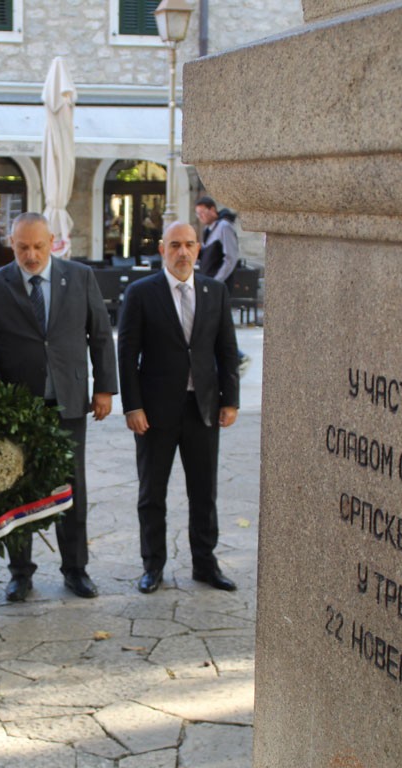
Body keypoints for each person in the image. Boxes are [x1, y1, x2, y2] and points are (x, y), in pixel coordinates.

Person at [0, 212, 118, 602]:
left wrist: (104, 388)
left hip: (68, 401)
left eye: (38, 246)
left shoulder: (80, 277)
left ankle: (76, 569)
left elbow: (101, 335)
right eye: (22, 247)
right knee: (17, 488)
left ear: (53, 241)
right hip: (17, 407)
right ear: (11, 245)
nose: (31, 255)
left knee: (72, 489)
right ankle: (20, 573)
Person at [117, 220, 241, 594]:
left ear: (199, 249)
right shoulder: (141, 293)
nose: (182, 252)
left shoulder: (214, 291)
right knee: (152, 494)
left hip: (202, 408)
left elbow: (227, 350)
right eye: (175, 245)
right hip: (154, 413)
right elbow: (127, 354)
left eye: (189, 244)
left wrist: (231, 399)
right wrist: (132, 406)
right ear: (162, 249)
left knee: (204, 493)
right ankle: (152, 566)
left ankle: (205, 563)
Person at [194, 196, 239, 283]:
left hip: (219, 284)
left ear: (212, 210)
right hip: (207, 282)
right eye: (198, 214)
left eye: (202, 212)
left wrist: (217, 281)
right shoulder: (207, 229)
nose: (200, 216)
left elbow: (230, 258)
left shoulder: (224, 226)